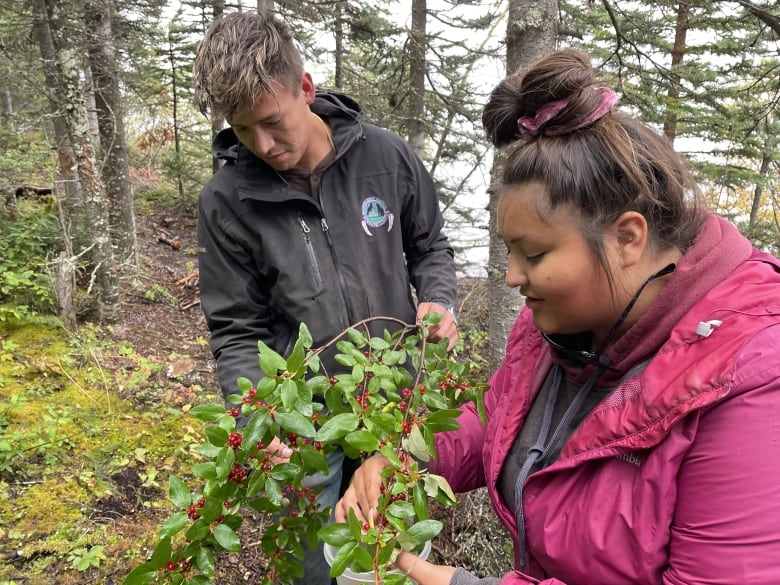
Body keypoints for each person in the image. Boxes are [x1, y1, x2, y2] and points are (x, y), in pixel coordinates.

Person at [336, 49, 780, 585]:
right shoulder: (560, 322)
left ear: (627, 238)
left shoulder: (750, 377)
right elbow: (499, 419)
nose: (512, 277)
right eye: (509, 253)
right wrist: (408, 461)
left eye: (535, 254)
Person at [191, 10, 459, 585]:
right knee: (312, 565)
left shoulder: (386, 159)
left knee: (388, 556)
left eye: (271, 121)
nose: (262, 145)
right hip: (302, 420)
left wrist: (439, 301)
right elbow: (237, 330)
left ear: (305, 89)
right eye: (241, 131)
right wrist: (255, 414)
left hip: (391, 402)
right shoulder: (225, 201)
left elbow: (431, 247)